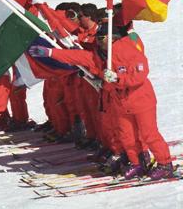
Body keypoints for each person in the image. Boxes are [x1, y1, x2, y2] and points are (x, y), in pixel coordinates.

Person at [29, 25, 175, 180]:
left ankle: (165, 164)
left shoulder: (130, 51)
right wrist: (50, 53)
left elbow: (140, 75)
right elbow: (77, 57)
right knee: (126, 136)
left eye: (101, 38)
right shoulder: (100, 56)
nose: (98, 42)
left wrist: (118, 79)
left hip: (140, 100)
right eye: (97, 39)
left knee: (149, 134)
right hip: (120, 103)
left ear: (112, 37)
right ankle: (137, 163)